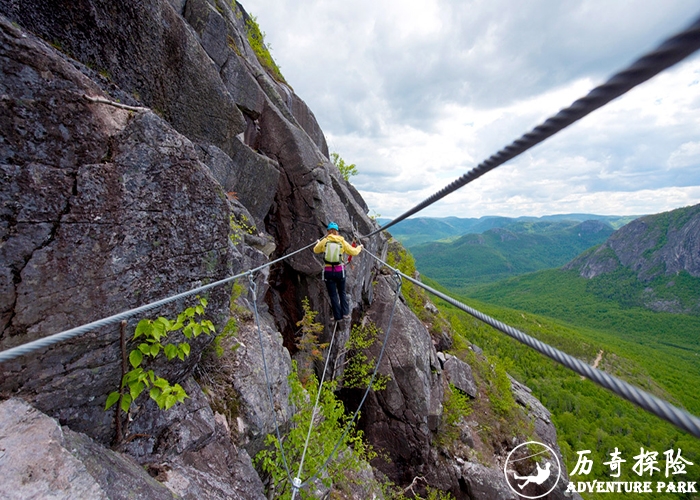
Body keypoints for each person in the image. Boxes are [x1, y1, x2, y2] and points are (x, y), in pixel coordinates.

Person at [313, 222, 363, 321]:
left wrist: (319, 243)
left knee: (333, 295)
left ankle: (337, 316)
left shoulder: (325, 241)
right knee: (342, 292)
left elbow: (316, 250)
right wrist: (359, 247)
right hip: (340, 271)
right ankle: (345, 313)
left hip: (328, 272)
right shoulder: (342, 241)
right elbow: (353, 252)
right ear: (337, 231)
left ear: (328, 231)